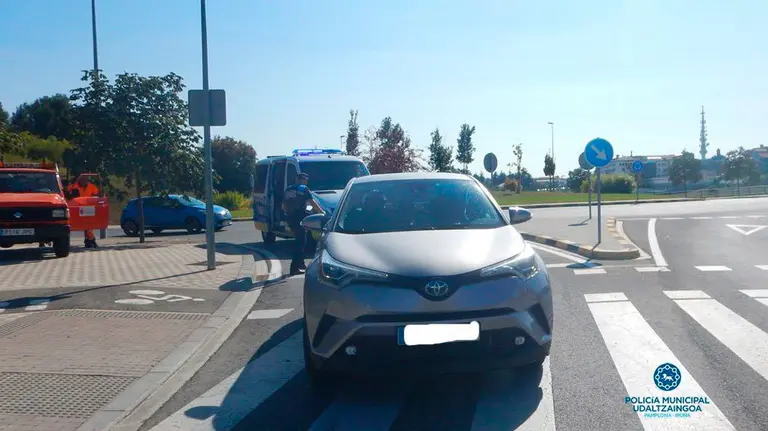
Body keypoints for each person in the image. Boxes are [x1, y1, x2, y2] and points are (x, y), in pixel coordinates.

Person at [282, 172, 324, 275]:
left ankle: (301, 264)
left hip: (289, 218)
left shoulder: (288, 189)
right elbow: (312, 202)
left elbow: (283, 206)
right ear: (305, 180)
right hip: (299, 218)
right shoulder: (303, 189)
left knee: (299, 240)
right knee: (300, 243)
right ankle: (294, 267)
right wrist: (321, 212)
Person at [69, 175, 100, 248]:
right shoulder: (74, 186)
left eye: (86, 179)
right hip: (77, 208)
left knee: (89, 225)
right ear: (79, 179)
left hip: (89, 208)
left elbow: (97, 194)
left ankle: (90, 240)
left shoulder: (91, 186)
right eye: (83, 179)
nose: (84, 181)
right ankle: (91, 240)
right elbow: (67, 193)